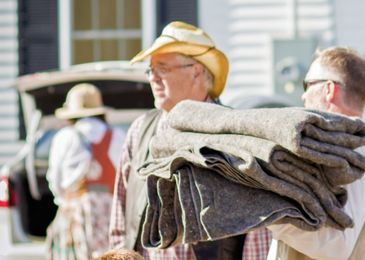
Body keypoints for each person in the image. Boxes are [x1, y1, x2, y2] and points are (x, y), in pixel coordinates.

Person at [108, 21, 271, 259]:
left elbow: (258, 225)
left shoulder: (235, 133)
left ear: (196, 71)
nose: (152, 78)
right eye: (150, 70)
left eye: (161, 68)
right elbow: (120, 216)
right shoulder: (140, 130)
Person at [266, 47, 365, 259]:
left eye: (307, 84)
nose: (303, 95)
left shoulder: (343, 150)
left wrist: (271, 214)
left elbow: (336, 246)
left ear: (329, 89)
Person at [46, 83, 126, 259]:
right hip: (109, 210)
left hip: (74, 209)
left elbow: (55, 180)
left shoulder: (65, 137)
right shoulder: (117, 135)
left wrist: (63, 201)